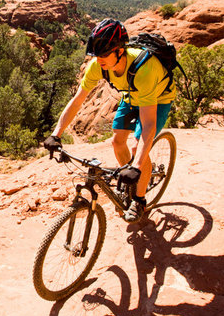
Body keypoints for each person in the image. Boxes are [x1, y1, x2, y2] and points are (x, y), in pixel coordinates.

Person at [44, 19, 176, 223]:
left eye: (105, 54)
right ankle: (131, 182)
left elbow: (148, 125)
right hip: (131, 95)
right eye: (96, 55)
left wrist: (137, 166)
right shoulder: (98, 66)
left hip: (157, 98)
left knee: (137, 148)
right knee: (117, 142)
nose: (99, 60)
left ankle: (139, 199)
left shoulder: (144, 69)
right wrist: (56, 133)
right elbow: (78, 100)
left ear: (120, 51)